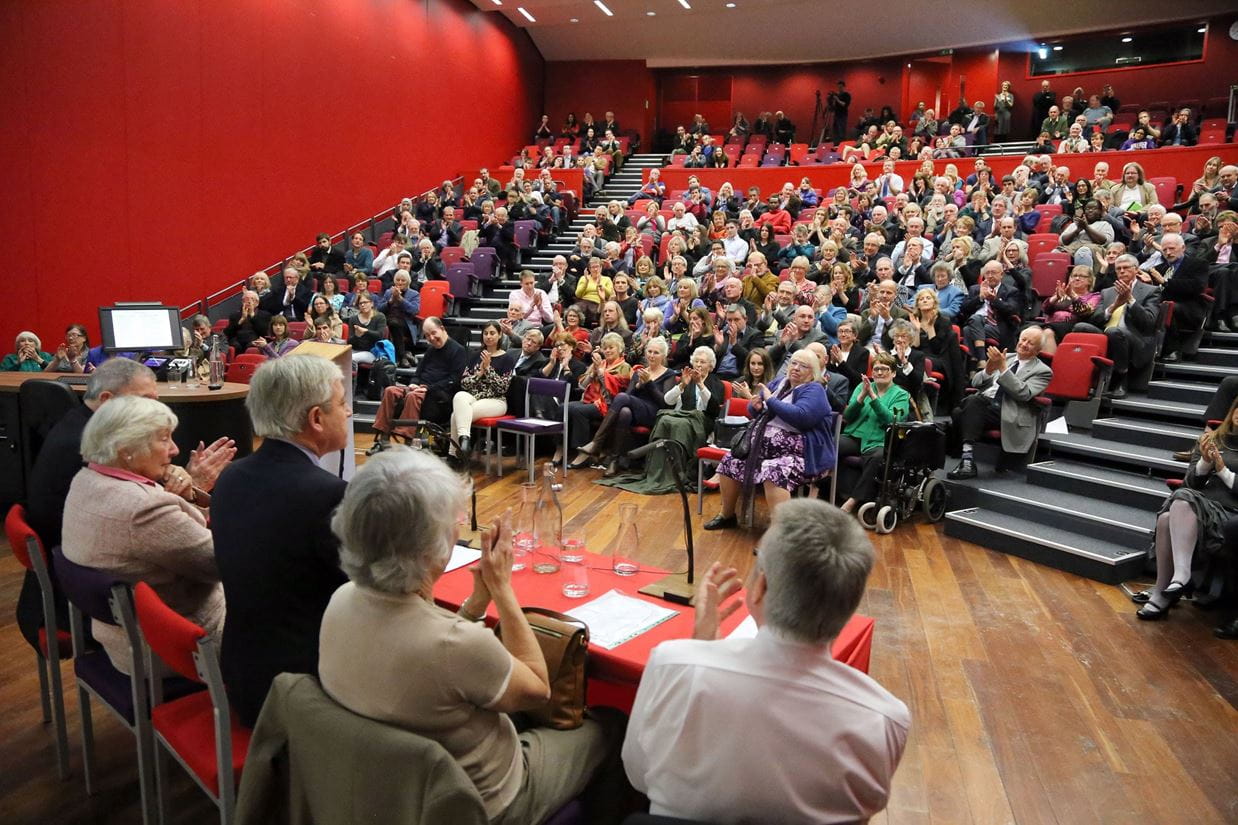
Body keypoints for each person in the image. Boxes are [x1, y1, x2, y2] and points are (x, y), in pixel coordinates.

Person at [318, 449, 625, 824]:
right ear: (430, 546)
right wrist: (502, 589)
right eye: (453, 522)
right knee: (611, 725)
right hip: (480, 800)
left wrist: (476, 605)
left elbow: (434, 657)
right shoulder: (455, 645)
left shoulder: (339, 601)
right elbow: (537, 688)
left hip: (387, 785)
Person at [626, 497, 908, 822]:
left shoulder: (672, 663)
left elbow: (638, 776)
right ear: (850, 604)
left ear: (760, 586)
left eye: (757, 556)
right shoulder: (886, 719)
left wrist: (700, 649)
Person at [210, 355, 351, 726]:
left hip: (243, 672)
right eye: (341, 403)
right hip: (302, 692)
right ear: (316, 419)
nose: (349, 412)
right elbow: (374, 592)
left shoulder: (230, 477)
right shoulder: (328, 495)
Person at [63, 396, 224, 675]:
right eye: (164, 439)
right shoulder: (143, 508)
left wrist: (188, 492)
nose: (174, 449)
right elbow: (222, 563)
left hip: (123, 636)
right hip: (182, 646)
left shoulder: (86, 479)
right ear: (127, 450)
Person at [706, 349, 835, 530]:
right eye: (794, 363)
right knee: (729, 462)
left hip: (801, 455)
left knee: (774, 472)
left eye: (803, 366)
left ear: (813, 371)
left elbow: (801, 416)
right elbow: (755, 411)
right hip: (761, 450)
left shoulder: (815, 389)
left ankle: (778, 533)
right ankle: (727, 515)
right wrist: (755, 406)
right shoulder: (779, 383)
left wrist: (770, 400)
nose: (796, 368)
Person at [1135, 398, 1238, 621]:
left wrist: (1222, 471)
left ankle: (1176, 580)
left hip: (1229, 515)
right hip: (1197, 508)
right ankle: (1167, 587)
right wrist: (1205, 463)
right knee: (1170, 513)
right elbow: (1189, 484)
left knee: (1175, 507)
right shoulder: (1212, 440)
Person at [598, 345, 724, 492]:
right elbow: (668, 401)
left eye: (702, 362)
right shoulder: (686, 378)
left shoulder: (716, 383)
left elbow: (714, 408)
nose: (698, 365)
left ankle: (678, 472)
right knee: (664, 420)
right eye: (696, 361)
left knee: (678, 424)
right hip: (681, 416)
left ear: (711, 365)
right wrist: (682, 385)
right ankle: (656, 469)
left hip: (701, 420)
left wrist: (701, 385)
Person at [948, 326, 1053, 479]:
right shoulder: (1007, 357)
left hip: (1010, 410)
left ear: (1038, 350)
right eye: (1023, 340)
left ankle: (966, 458)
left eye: (1030, 343)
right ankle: (967, 459)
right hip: (986, 405)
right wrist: (988, 370)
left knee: (969, 405)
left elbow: (1023, 393)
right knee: (960, 411)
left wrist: (1003, 368)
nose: (1024, 344)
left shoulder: (1043, 371)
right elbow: (975, 383)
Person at [368, 317, 469, 453]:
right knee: (390, 390)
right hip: (420, 389)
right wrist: (414, 384)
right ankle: (382, 440)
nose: (431, 338)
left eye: (433, 333)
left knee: (413, 396)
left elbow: (454, 380)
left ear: (442, 329)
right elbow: (417, 374)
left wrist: (427, 388)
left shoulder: (458, 351)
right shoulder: (431, 350)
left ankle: (407, 440)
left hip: (439, 395)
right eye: (427, 336)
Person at [1070, 255, 1159, 396]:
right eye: (1118, 269)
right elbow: (1095, 320)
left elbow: (1148, 322)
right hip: (1107, 332)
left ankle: (1120, 379)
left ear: (1136, 270)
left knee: (1113, 331)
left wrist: (1130, 299)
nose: (1122, 271)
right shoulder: (1107, 292)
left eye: (1126, 268)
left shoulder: (1150, 291)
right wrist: (1113, 306)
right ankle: (1080, 377)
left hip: (1135, 338)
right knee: (1081, 327)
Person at [837, 352, 912, 514]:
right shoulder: (861, 386)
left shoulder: (901, 394)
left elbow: (892, 420)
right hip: (854, 436)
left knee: (878, 457)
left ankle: (853, 500)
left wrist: (872, 397)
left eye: (884, 369)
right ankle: (822, 486)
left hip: (879, 441)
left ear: (893, 373)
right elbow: (848, 417)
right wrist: (861, 396)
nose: (879, 372)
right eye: (876, 369)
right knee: (832, 444)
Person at [450, 321, 515, 457]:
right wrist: (479, 374)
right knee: (460, 395)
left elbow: (502, 388)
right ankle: (464, 441)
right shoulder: (475, 355)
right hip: (474, 396)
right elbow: (464, 383)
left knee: (456, 415)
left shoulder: (507, 358)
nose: (488, 336)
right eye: (485, 333)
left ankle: (454, 454)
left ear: (500, 335)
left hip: (496, 401)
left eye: (492, 333)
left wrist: (488, 369)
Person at [564, 332, 631, 460]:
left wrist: (601, 373)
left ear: (620, 349)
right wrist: (592, 373)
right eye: (605, 348)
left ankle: (583, 455)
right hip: (590, 399)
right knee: (564, 407)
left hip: (608, 404)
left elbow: (614, 393)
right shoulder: (600, 363)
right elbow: (582, 386)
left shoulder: (625, 367)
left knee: (579, 411)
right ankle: (561, 448)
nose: (607, 350)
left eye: (611, 347)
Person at [345, 292, 386, 366]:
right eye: (360, 303)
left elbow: (380, 335)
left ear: (372, 304)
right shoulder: (353, 319)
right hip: (355, 350)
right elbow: (349, 342)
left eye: (365, 302)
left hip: (372, 351)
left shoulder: (380, 317)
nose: (363, 305)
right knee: (339, 357)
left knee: (349, 359)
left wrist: (366, 331)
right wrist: (356, 336)